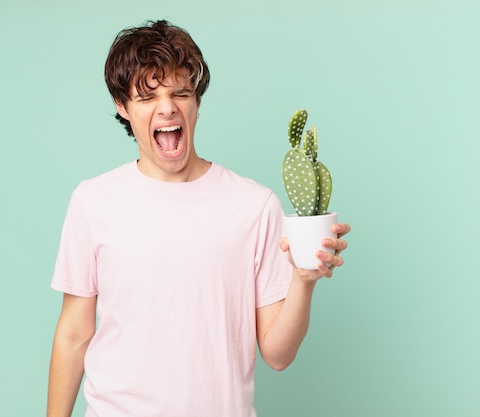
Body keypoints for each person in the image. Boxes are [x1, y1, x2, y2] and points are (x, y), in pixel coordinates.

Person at [47, 19, 350, 417]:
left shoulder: (254, 205)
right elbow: (73, 334)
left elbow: (278, 354)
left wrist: (304, 281)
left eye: (180, 93)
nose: (168, 107)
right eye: (147, 97)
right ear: (122, 106)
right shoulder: (93, 201)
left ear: (196, 102)